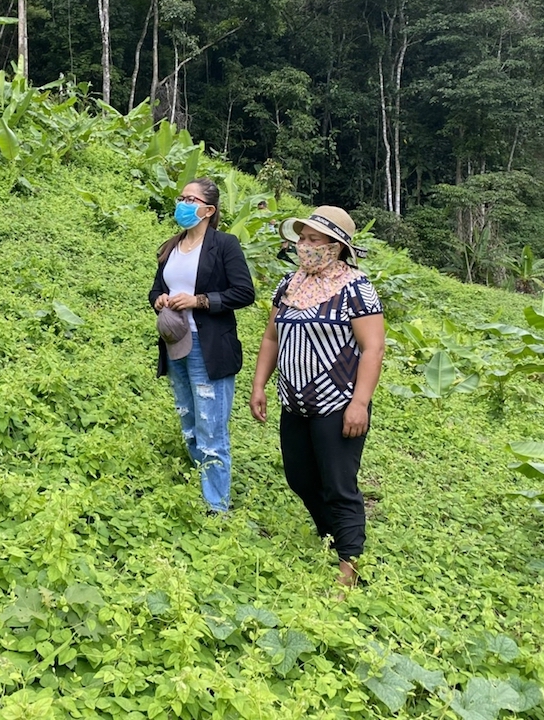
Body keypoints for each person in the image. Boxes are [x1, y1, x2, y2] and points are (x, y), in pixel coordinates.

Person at [248, 206, 385, 592]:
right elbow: (271, 338)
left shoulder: (356, 288)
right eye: (302, 239)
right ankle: (331, 534)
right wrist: (259, 385)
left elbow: (372, 348)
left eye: (314, 240)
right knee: (299, 476)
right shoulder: (289, 285)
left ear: (337, 247)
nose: (304, 247)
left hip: (338, 403)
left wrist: (359, 403)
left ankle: (350, 563)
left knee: (339, 484)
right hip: (294, 401)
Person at [149, 178, 256, 513]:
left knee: (211, 425)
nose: (182, 203)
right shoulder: (171, 246)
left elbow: (244, 292)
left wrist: (199, 301)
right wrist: (160, 299)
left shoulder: (224, 245)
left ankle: (217, 506)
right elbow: (155, 289)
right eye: (181, 197)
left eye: (190, 199)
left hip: (208, 346)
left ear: (208, 209)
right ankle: (201, 481)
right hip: (175, 342)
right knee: (189, 417)